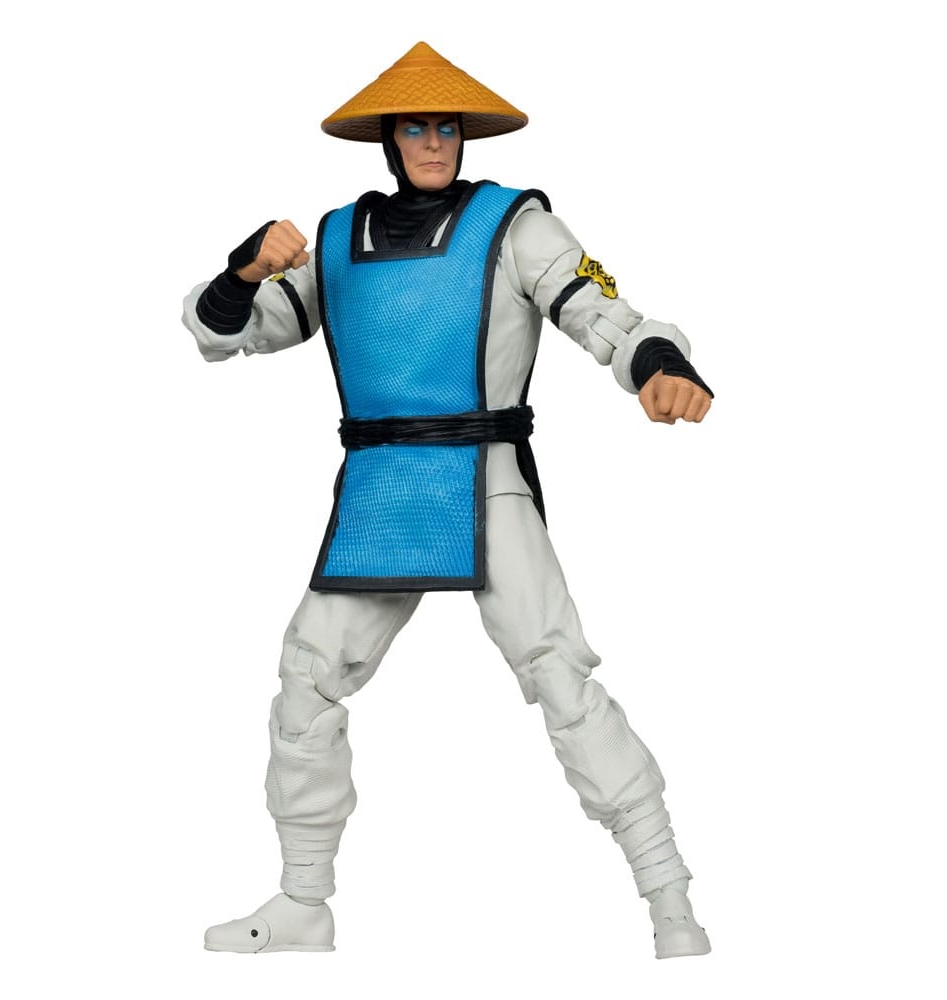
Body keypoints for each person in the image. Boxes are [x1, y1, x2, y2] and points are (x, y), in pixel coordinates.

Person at [182, 41, 713, 959]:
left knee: (559, 674)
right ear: (388, 140)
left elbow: (600, 310)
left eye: (445, 127)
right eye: (415, 127)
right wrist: (241, 273)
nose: (433, 142)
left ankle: (670, 900)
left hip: (483, 473)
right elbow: (227, 334)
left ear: (464, 136)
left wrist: (657, 364)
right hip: (381, 489)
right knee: (307, 677)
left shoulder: (514, 226)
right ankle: (303, 901)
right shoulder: (336, 240)